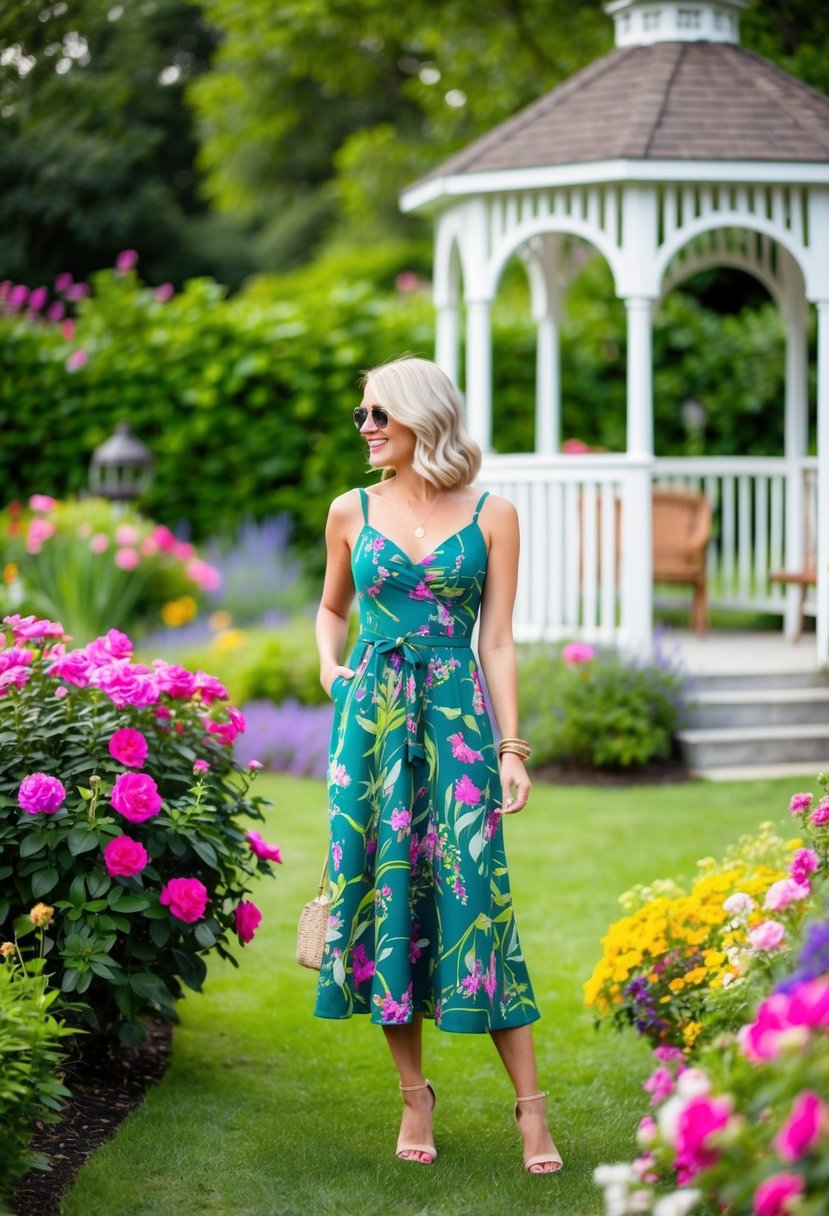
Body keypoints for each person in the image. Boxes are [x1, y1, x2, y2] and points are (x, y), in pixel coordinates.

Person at [314, 355, 562, 1174]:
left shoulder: (493, 513)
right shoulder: (349, 511)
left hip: (455, 719)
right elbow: (330, 607)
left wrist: (512, 748)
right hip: (372, 722)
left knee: (475, 897)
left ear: (423, 415)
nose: (366, 429)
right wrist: (328, 666)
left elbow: (495, 638)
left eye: (378, 414)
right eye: (361, 416)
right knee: (388, 892)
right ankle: (413, 1096)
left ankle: (531, 1110)